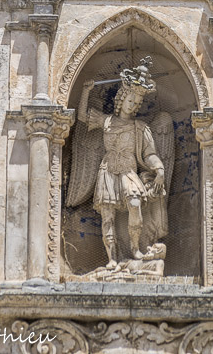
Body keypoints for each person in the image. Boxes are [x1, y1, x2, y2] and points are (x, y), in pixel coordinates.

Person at [77, 59, 165, 269]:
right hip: (108, 170)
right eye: (130, 100)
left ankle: (135, 249)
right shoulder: (106, 121)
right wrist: (86, 92)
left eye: (137, 102)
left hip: (128, 171)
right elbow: (82, 116)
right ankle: (112, 258)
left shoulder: (140, 127)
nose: (133, 105)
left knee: (135, 204)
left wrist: (159, 169)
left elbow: (149, 154)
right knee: (107, 215)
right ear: (122, 98)